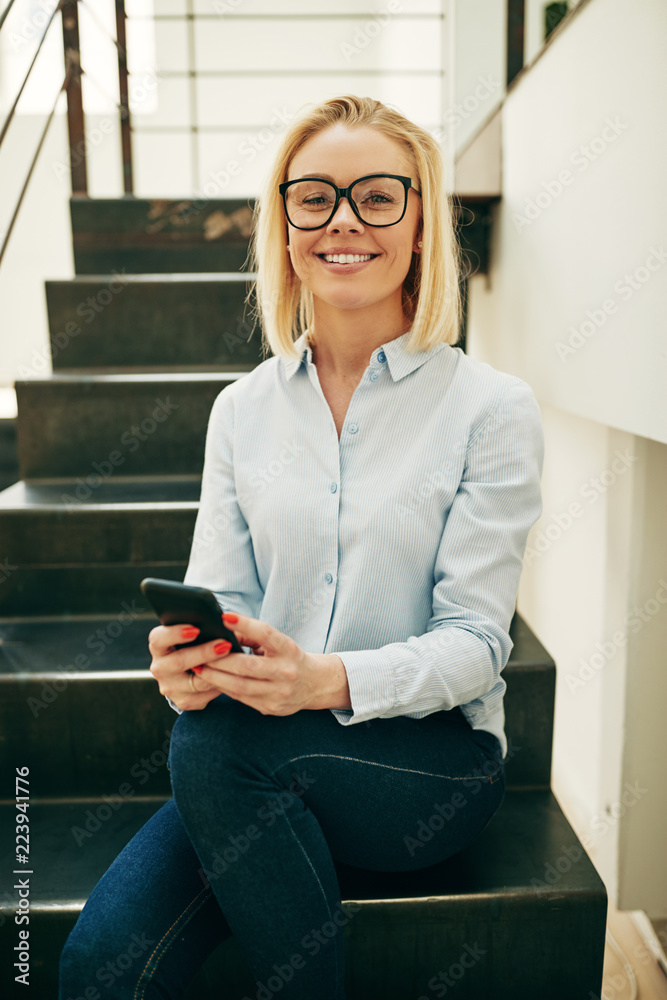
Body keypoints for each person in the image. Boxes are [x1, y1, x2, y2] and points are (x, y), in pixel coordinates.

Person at [59, 94, 544, 1000]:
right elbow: (221, 598)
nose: (342, 222)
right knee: (97, 965)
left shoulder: (490, 408)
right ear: (283, 228)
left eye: (376, 197)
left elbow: (477, 646)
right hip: (258, 753)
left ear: (420, 223)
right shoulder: (240, 410)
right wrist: (187, 665)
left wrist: (325, 681)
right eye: (313, 197)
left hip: (424, 766)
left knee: (215, 750)